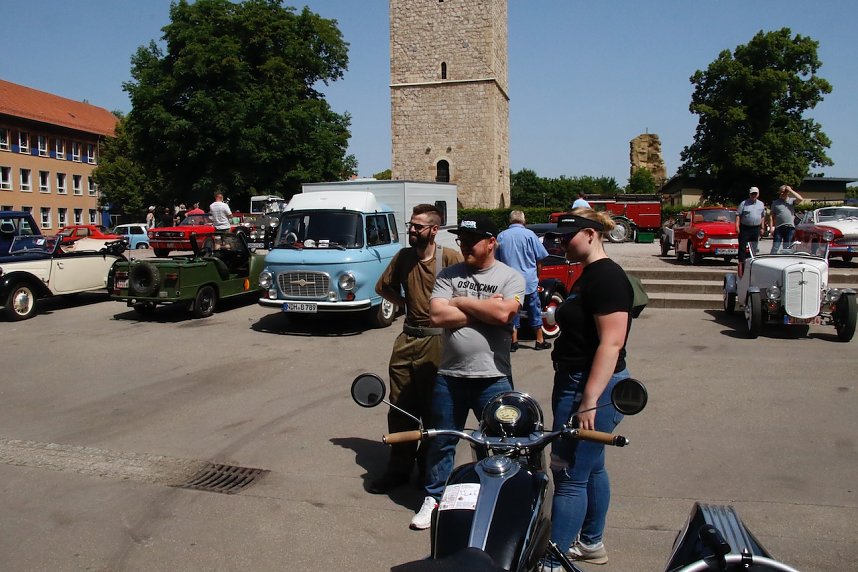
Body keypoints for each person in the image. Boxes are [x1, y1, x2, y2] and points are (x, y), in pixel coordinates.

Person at [411, 215, 524, 530]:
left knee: (501, 444)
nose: (465, 246)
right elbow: (437, 316)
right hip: (450, 376)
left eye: (472, 240)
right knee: (442, 442)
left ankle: (499, 501)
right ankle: (434, 498)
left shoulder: (511, 277)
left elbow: (504, 314)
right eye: (462, 240)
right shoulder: (449, 274)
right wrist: (483, 308)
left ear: (491, 242)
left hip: (494, 377)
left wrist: (459, 301)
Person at [539, 208, 634, 571]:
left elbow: (612, 343)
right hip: (576, 381)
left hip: (591, 386)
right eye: (559, 237)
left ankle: (555, 560)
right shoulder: (587, 274)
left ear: (592, 234)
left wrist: (589, 400)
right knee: (591, 468)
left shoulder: (607, 278)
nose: (562, 242)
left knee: (569, 474)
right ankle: (591, 543)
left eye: (569, 236)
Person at [369, 205, 463, 495]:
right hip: (407, 338)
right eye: (411, 225)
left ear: (434, 230)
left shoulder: (449, 258)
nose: (411, 230)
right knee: (400, 407)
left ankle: (429, 471)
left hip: (438, 341)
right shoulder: (404, 257)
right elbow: (383, 287)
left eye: (418, 226)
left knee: (434, 408)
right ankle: (399, 469)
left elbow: (467, 294)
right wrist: (406, 306)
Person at [496, 210, 551, 351]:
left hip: (510, 281)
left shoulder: (501, 236)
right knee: (534, 309)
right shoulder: (530, 235)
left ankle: (513, 341)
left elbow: (496, 260)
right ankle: (539, 340)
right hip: (529, 279)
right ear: (523, 220)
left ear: (510, 220)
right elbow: (540, 258)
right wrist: (537, 277)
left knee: (513, 310)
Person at [736, 187, 766, 266]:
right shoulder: (744, 203)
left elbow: (762, 216)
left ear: (758, 194)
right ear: (749, 194)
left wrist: (762, 227)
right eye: (752, 194)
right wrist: (737, 226)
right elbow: (738, 215)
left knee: (753, 247)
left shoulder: (761, 204)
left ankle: (751, 263)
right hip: (745, 228)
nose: (754, 195)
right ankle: (741, 263)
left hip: (756, 228)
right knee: (742, 246)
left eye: (755, 194)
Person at [769, 185, 803, 253]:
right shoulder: (775, 202)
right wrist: (771, 227)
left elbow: (800, 199)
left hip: (789, 227)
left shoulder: (791, 201)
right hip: (779, 227)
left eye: (784, 192)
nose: (782, 193)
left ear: (787, 193)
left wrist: (791, 190)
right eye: (781, 192)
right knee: (775, 246)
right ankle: (772, 258)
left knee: (787, 247)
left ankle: (786, 258)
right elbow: (771, 215)